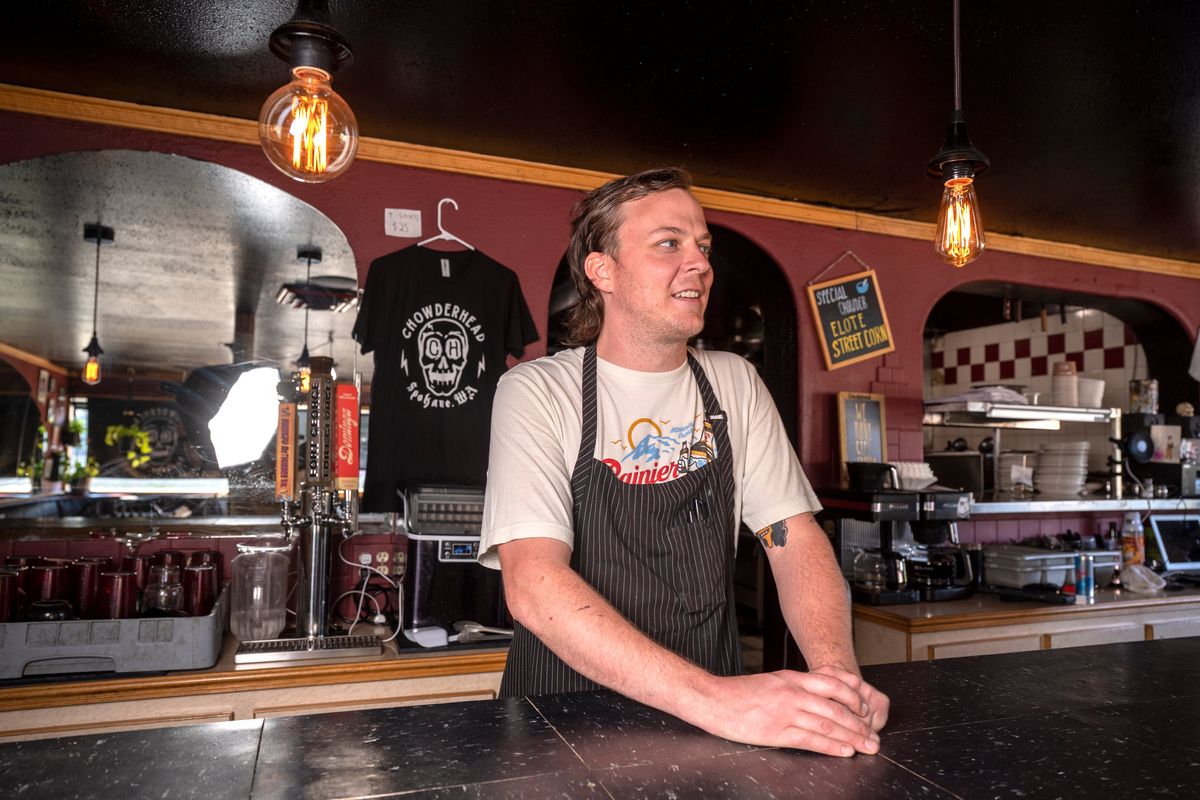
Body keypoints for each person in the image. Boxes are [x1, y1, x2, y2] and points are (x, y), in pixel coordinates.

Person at [479, 167, 888, 757]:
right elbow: (534, 584)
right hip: (564, 720)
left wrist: (837, 683)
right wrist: (719, 702)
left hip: (713, 722)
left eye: (702, 246)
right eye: (668, 243)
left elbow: (791, 537)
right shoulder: (540, 391)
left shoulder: (733, 383)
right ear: (603, 270)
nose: (698, 262)